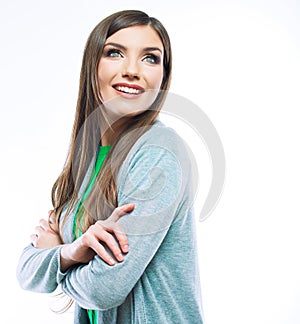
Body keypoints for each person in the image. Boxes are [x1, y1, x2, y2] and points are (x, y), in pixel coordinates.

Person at [16, 9, 203, 324]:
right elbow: (25, 271)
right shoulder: (87, 161)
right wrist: (71, 252)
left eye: (150, 58)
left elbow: (104, 288)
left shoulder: (158, 153)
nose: (132, 70)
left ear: (163, 75)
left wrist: (59, 262)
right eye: (115, 53)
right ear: (93, 65)